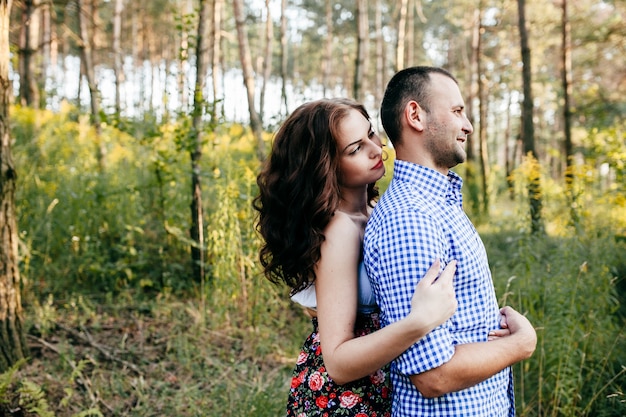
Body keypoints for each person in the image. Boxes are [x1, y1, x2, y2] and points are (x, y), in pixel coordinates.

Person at [253, 98, 458, 416]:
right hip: (344, 400)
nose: (376, 149)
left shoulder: (375, 213)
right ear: (325, 167)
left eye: (371, 134)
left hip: (379, 383)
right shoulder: (339, 230)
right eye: (355, 149)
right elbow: (337, 362)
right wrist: (420, 322)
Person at [363, 66, 537, 416]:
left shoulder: (436, 204)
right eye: (457, 111)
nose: (468, 125)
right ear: (415, 115)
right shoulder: (410, 219)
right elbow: (433, 375)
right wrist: (522, 344)